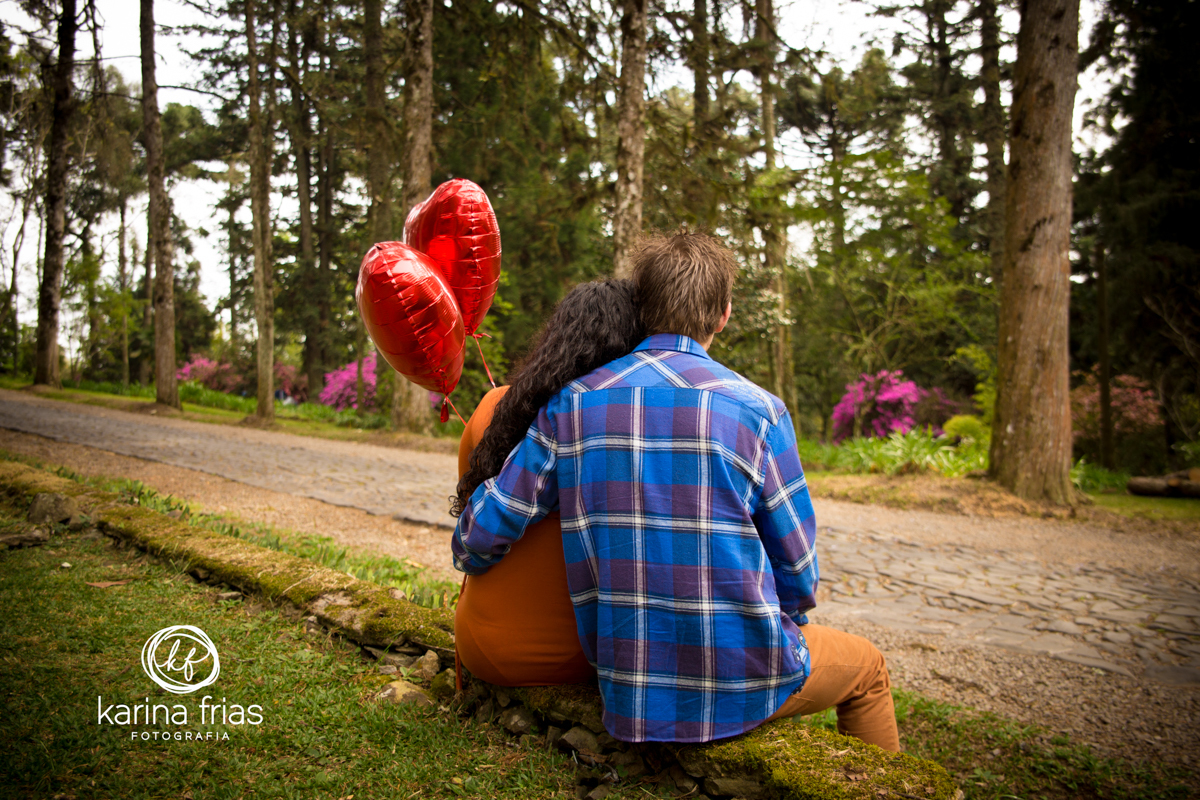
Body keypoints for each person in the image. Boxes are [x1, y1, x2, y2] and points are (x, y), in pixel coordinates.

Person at [453, 232, 898, 750]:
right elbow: (798, 572)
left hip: (627, 687)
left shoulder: (571, 405)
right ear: (724, 314)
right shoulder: (760, 412)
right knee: (868, 669)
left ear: (644, 307)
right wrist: (786, 621)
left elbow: (480, 535)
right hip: (743, 678)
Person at [451, 279, 645, 686]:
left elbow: (470, 523)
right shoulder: (627, 430)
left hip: (483, 644)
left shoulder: (492, 407)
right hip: (587, 658)